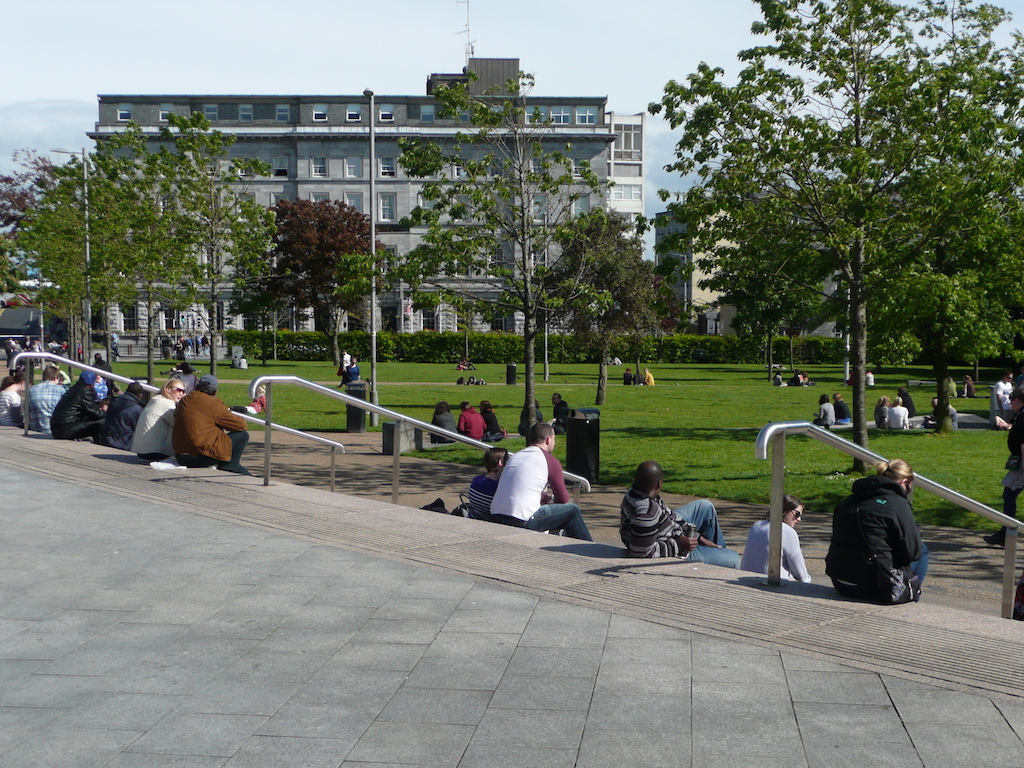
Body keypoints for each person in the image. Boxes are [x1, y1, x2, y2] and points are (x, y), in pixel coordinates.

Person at [825, 459, 928, 603]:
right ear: (906, 481)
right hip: (876, 586)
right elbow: (913, 552)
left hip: (841, 581)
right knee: (922, 550)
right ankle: (912, 595)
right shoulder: (897, 504)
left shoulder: (849, 501)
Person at [619, 460, 739, 566]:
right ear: (659, 484)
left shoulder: (636, 493)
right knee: (735, 559)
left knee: (705, 506)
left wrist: (698, 537)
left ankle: (716, 551)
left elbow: (669, 515)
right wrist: (680, 544)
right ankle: (718, 558)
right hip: (675, 550)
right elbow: (641, 552)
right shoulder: (647, 514)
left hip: (664, 532)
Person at [491, 422, 593, 540]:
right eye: (554, 439)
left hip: (496, 516)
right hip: (522, 521)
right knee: (572, 510)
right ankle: (590, 548)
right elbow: (563, 499)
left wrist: (543, 497)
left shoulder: (515, 457)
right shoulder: (549, 460)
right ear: (548, 440)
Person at [172, 374, 251, 475]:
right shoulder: (213, 404)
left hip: (181, 456)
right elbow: (241, 425)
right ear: (215, 391)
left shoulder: (184, 400)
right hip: (202, 457)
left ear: (197, 387)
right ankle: (231, 465)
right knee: (242, 435)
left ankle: (229, 464)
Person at [740, 495, 812, 582]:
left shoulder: (757, 525)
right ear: (784, 510)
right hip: (773, 583)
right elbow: (801, 574)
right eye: (797, 514)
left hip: (746, 579)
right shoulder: (787, 531)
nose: (799, 519)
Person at [986, 388, 1024, 547]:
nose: (1010, 404)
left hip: (1021, 462)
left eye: (1011, 401)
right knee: (1009, 494)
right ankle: (1005, 531)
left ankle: (1006, 532)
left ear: (1017, 400)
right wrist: (1007, 426)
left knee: (1009, 494)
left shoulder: (1023, 415)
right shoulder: (1020, 414)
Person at [133, 378, 187, 461]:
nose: (181, 394)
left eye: (183, 392)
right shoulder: (166, 404)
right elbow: (180, 424)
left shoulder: (156, 400)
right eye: (178, 390)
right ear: (168, 389)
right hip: (153, 452)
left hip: (142, 451)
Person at [50, 371, 106, 442]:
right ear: (91, 383)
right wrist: (109, 415)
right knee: (103, 422)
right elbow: (94, 412)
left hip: (58, 428)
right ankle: (101, 445)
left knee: (95, 422)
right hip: (66, 429)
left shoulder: (74, 389)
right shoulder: (84, 392)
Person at [100, 382, 149, 451]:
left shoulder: (114, 402)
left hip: (107, 441)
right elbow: (141, 430)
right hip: (124, 446)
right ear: (140, 395)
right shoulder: (136, 409)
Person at [468, 446, 509, 522]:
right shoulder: (500, 489)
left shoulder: (476, 481)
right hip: (489, 525)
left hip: (472, 520)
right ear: (500, 463)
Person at [27, 365, 66, 434]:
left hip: (35, 429)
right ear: (55, 378)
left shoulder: (31, 389)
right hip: (54, 430)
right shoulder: (60, 390)